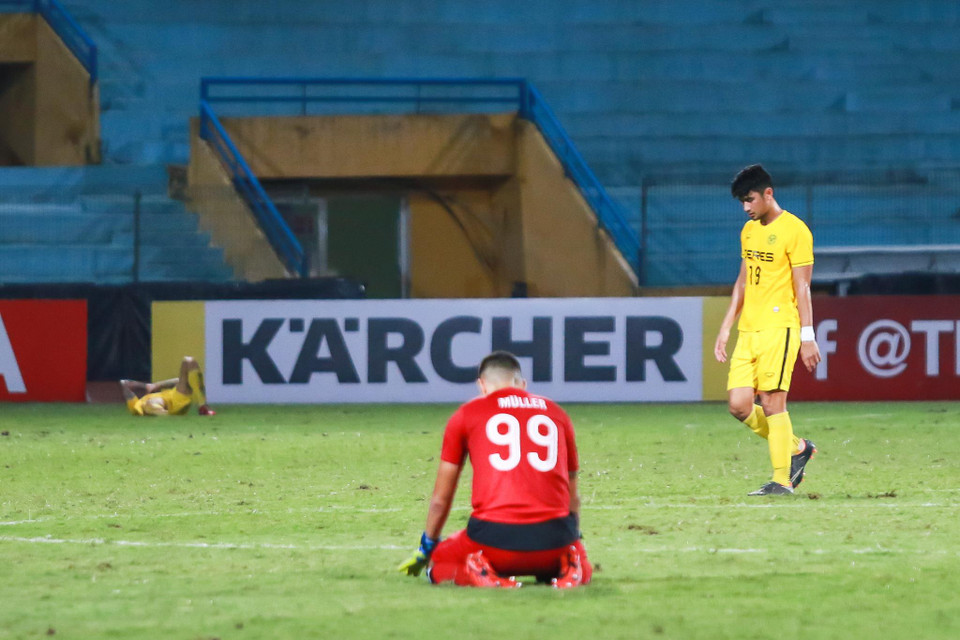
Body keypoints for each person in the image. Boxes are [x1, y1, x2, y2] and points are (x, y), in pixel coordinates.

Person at [398, 350, 591, 588]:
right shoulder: (557, 414)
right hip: (555, 540)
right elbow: (573, 496)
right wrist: (572, 536)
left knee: (437, 564)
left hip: (494, 541)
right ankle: (569, 565)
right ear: (523, 384)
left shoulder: (466, 414)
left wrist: (428, 546)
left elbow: (441, 499)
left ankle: (478, 573)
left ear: (481, 385)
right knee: (579, 557)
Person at [714, 164, 820, 496]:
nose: (746, 208)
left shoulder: (796, 230)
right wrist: (726, 326)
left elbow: (803, 288)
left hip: (780, 327)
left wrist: (808, 336)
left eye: (750, 200)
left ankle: (782, 481)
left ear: (768, 194)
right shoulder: (749, 231)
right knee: (740, 406)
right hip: (749, 330)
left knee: (773, 403)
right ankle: (798, 448)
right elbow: (743, 281)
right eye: (742, 202)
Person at [120, 356, 215, 416]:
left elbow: (178, 380)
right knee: (150, 404)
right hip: (176, 403)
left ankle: (202, 405)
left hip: (175, 395)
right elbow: (124, 385)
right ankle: (167, 414)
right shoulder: (137, 405)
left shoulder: (154, 393)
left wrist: (155, 385)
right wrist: (137, 385)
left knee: (189, 361)